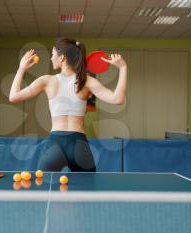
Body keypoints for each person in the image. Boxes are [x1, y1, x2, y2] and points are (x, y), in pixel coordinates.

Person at [9, 37, 127, 172]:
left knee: (45, 191)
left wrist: (21, 69)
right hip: (78, 145)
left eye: (53, 54)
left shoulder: (47, 81)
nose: (51, 58)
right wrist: (123, 68)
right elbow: (118, 99)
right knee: (86, 191)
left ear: (62, 58)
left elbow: (13, 97)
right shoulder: (87, 81)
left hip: (55, 145)